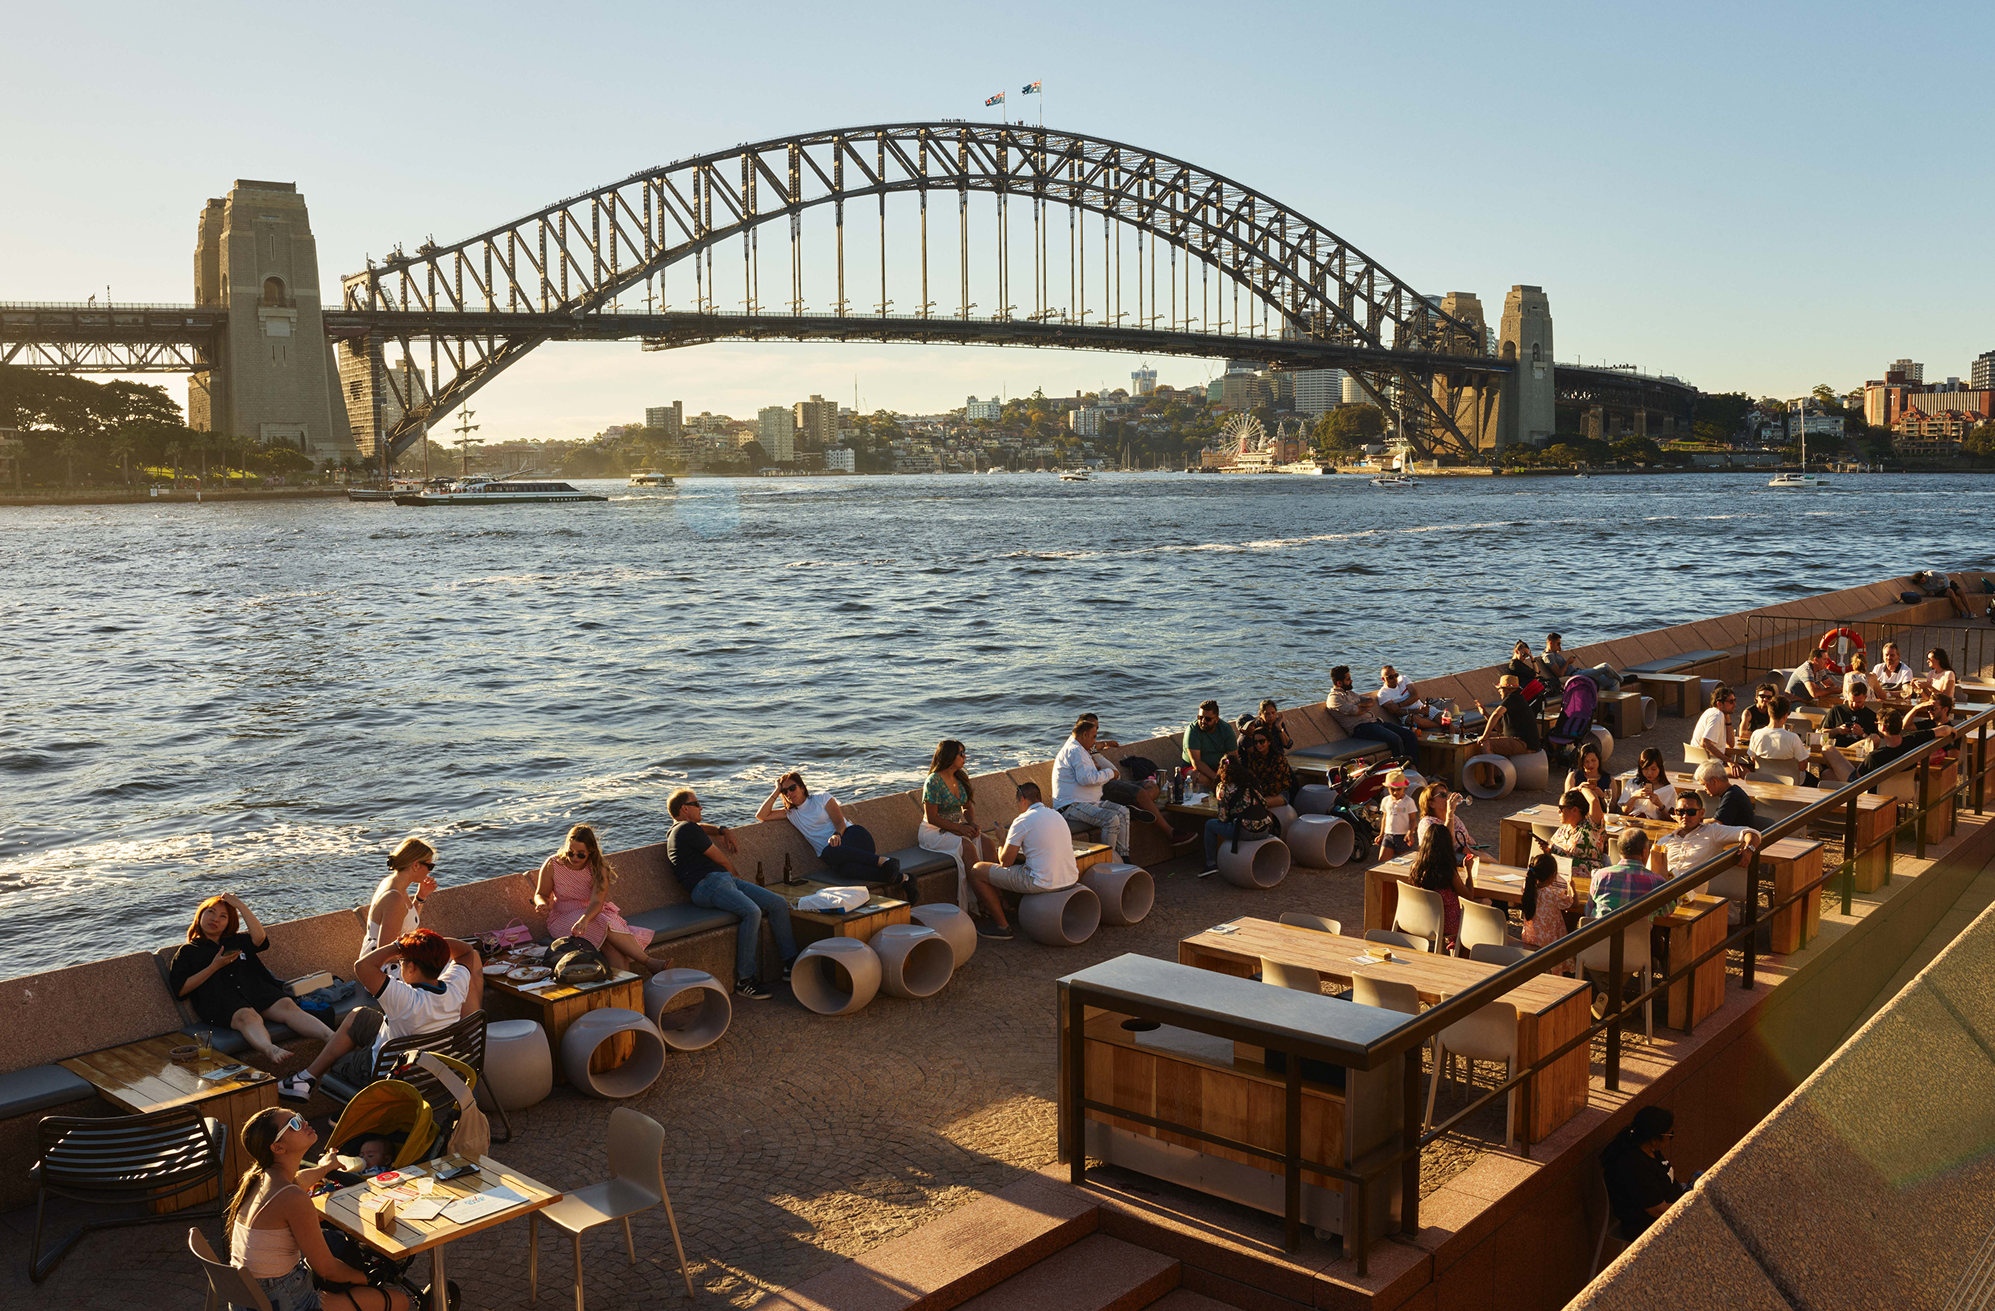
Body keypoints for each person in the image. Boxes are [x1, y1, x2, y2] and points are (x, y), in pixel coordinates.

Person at [225, 1106, 414, 1311]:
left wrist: (325, 1167)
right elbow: (327, 1269)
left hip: (249, 1299)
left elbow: (300, 1179)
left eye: (299, 1117)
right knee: (399, 1301)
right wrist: (363, 1278)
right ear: (278, 1148)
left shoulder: (262, 1180)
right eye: (294, 1124)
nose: (303, 1122)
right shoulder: (292, 1198)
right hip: (286, 1301)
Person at [277, 927, 483, 1102]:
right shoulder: (455, 986)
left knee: (337, 1059)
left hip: (387, 1078)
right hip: (431, 1073)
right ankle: (304, 1079)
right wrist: (430, 944)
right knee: (360, 1015)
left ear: (411, 968)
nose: (399, 965)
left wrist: (399, 944)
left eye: (401, 961)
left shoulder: (404, 999)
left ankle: (308, 1080)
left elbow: (362, 966)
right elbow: (466, 952)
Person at [170, 894, 337, 1066]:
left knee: (287, 1005)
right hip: (222, 1002)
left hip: (255, 991)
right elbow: (181, 989)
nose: (215, 919)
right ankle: (270, 1049)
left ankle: (331, 1037)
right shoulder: (187, 952)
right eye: (210, 912)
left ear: (229, 923)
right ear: (200, 915)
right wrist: (214, 967)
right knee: (247, 1016)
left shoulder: (235, 941)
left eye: (223, 916)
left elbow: (259, 939)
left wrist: (240, 906)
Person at [667, 788, 798, 1000]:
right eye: (697, 803)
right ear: (684, 808)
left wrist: (723, 830)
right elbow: (720, 858)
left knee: (777, 903)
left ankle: (790, 963)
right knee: (751, 912)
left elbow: (701, 828)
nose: (701, 807)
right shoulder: (685, 830)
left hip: (721, 882)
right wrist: (734, 873)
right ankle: (745, 980)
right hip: (708, 884)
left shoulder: (684, 830)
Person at [533, 825, 657, 978]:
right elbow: (541, 893)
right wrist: (541, 903)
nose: (574, 858)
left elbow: (597, 903)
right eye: (570, 852)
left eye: (580, 855)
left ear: (590, 851)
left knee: (608, 940)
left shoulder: (598, 868)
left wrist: (584, 919)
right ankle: (647, 964)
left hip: (593, 912)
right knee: (603, 930)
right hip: (562, 917)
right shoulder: (553, 864)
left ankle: (624, 988)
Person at [967, 782, 1080, 940]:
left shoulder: (1022, 820)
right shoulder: (1056, 815)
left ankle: (1003, 927)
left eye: (1017, 802)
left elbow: (1005, 862)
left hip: (1041, 882)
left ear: (1023, 799)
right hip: (1070, 878)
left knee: (977, 870)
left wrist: (1002, 839)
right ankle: (1008, 906)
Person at [756, 772, 906, 888]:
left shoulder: (821, 798)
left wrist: (837, 834)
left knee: (828, 852)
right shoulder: (790, 813)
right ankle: (905, 879)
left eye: (792, 788)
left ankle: (885, 861)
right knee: (845, 871)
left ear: (802, 787)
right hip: (837, 855)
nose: (789, 793)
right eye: (784, 792)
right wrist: (776, 790)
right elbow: (761, 815)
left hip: (854, 837)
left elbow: (840, 823)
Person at [1074, 713, 1194, 843]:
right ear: (1081, 729)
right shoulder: (1078, 749)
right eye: (1091, 727)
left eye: (1096, 728)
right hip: (1105, 786)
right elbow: (1090, 772)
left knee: (1153, 787)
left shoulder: (1090, 745)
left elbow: (1097, 746)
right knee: (1141, 793)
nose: (1094, 731)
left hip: (1116, 784)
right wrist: (1106, 771)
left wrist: (1107, 743)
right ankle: (1171, 833)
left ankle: (1133, 807)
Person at [918, 739, 1000, 905]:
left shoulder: (961, 778)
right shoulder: (933, 781)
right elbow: (932, 817)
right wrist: (959, 828)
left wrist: (971, 822)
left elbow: (967, 808)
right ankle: (980, 902)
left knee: (987, 844)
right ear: (949, 757)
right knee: (968, 847)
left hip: (956, 828)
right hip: (933, 831)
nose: (965, 757)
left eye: (964, 753)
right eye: (961, 754)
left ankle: (999, 896)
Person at [1052, 716, 1135, 860]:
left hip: (1088, 802)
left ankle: (1123, 858)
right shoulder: (1075, 751)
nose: (1094, 741)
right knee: (1111, 819)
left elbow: (1086, 774)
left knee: (1123, 812)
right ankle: (1108, 861)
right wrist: (1109, 773)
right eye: (1093, 737)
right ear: (1085, 735)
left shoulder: (1080, 749)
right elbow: (1086, 779)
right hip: (1071, 805)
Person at [1602, 1105, 1689, 1242]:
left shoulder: (1651, 1150)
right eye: (1670, 1135)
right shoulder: (1635, 1166)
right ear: (1654, 1139)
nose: (1672, 1138)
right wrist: (1691, 1207)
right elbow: (1658, 1211)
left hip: (1674, 1209)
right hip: (1651, 1228)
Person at [1202, 730, 1277, 876]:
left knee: (1210, 825)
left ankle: (1211, 863)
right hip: (1264, 829)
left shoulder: (1223, 786)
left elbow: (1222, 817)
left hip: (1244, 831)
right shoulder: (1252, 780)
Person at [360, 838, 437, 977]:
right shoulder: (394, 897)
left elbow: (406, 922)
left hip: (395, 961)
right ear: (415, 865)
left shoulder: (395, 884)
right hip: (385, 970)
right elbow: (385, 953)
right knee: (459, 968)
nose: (429, 872)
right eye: (429, 866)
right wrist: (424, 954)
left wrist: (420, 896)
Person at [1650, 788, 1761, 879]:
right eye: (1681, 812)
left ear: (1701, 813)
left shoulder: (1713, 832)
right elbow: (1650, 872)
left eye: (1691, 812)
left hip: (1692, 895)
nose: (1685, 816)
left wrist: (1749, 849)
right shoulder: (1664, 840)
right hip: (1664, 894)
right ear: (1675, 813)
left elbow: (1751, 833)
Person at [1408, 824, 1478, 952]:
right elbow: (1469, 896)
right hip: (1447, 923)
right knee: (1473, 910)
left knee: (1453, 908)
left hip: (1423, 918)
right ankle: (1458, 950)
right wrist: (1468, 869)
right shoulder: (1448, 872)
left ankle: (1453, 946)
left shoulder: (1416, 867)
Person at [1325, 664, 1414, 762]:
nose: (1351, 681)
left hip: (1375, 722)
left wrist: (1359, 705)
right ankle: (1400, 770)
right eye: (1348, 679)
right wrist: (1362, 706)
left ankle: (1413, 767)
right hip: (1360, 728)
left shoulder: (1350, 693)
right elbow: (1356, 711)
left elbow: (1371, 701)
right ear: (1339, 683)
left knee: (1409, 735)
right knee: (1395, 739)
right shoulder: (1334, 698)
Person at [1470, 673, 1543, 789]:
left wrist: (1485, 736)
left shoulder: (1512, 698)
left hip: (1524, 743)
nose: (1499, 691)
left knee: (1485, 743)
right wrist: (1485, 714)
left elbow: (1496, 714)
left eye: (1501, 688)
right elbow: (1501, 729)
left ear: (1509, 689)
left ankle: (1490, 782)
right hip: (1524, 741)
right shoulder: (1516, 699)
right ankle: (1498, 776)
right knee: (1489, 737)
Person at [1853, 707, 1957, 781]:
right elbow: (1943, 730)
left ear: (1883, 728)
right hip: (1904, 791)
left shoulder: (1874, 757)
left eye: (1877, 724)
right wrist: (1952, 729)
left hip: (1879, 796)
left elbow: (1856, 781)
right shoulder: (1913, 739)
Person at [1533, 787, 1608, 879]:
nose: (1558, 811)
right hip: (1559, 879)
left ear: (1574, 810)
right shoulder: (1562, 830)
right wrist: (1547, 851)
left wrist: (1581, 788)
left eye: (1561, 808)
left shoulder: (1592, 827)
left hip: (1585, 880)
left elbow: (1594, 800)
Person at [1748, 695, 1816, 784]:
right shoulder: (1793, 738)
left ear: (1769, 712)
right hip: (1791, 782)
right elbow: (1802, 766)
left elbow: (1753, 759)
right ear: (1785, 716)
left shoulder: (1756, 734)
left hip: (1764, 779)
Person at [1519, 851, 1574, 951]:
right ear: (1553, 875)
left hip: (1530, 938)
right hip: (1551, 943)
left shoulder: (1527, 889)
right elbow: (1572, 902)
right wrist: (1572, 888)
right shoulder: (1553, 894)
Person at [1240, 719, 1296, 811]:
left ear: (1269, 742)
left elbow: (1277, 785)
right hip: (1261, 793)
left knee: (1257, 804)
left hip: (1280, 793)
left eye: (1261, 741)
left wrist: (1259, 793)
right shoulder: (1253, 758)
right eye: (1255, 742)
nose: (1258, 745)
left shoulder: (1278, 758)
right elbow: (1252, 778)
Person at [1182, 700, 1238, 790]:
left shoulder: (1226, 730)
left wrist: (1225, 774)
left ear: (1216, 720)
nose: (1203, 721)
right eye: (1200, 717)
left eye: (1208, 719)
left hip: (1219, 768)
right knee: (1197, 777)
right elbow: (1196, 762)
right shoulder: (1192, 730)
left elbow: (1233, 757)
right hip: (1195, 768)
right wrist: (1217, 779)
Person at [1415, 781, 1475, 866]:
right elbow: (1445, 841)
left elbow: (1464, 835)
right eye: (1443, 795)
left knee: (1490, 860)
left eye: (1448, 794)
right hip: (1440, 864)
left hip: (1461, 858)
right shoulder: (1427, 822)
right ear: (1431, 803)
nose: (1448, 798)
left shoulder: (1454, 818)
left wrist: (1473, 844)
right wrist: (1450, 812)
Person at [1693, 759, 1760, 828]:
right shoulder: (1731, 792)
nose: (1704, 788)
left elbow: (1716, 823)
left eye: (1704, 784)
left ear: (1714, 781)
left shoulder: (1732, 796)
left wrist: (1693, 821)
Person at [1377, 665, 1443, 733]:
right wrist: (1415, 711)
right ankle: (1441, 726)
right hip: (1407, 714)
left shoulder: (1403, 679)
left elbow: (1415, 696)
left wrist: (1399, 705)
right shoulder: (1383, 694)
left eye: (1396, 675)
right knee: (1416, 720)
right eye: (1391, 677)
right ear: (1383, 679)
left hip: (1422, 707)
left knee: (1443, 717)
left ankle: (1451, 733)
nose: (1394, 678)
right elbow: (1396, 712)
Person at [1620, 748, 1678, 822]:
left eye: (1653, 769)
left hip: (1655, 825)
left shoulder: (1668, 789)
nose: (1649, 773)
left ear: (1660, 769)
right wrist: (1634, 797)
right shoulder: (1632, 783)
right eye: (1645, 769)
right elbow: (1624, 811)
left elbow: (1671, 819)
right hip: (1633, 822)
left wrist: (1660, 805)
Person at [1564, 739, 1621, 811]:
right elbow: (1566, 801)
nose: (1590, 765)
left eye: (1593, 760)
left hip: (1600, 817)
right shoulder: (1573, 776)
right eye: (1586, 761)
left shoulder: (1609, 780)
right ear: (1581, 762)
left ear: (1599, 760)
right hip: (1578, 817)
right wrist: (1579, 789)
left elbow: (1613, 808)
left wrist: (1602, 796)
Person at [1376, 768, 1419, 861]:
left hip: (1403, 836)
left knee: (1406, 861)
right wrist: (1381, 834)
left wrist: (1410, 833)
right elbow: (1385, 818)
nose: (1395, 792)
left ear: (1404, 788)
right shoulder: (1386, 800)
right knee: (1382, 861)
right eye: (1392, 789)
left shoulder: (1408, 802)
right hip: (1388, 835)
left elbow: (1412, 819)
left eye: (1398, 789)